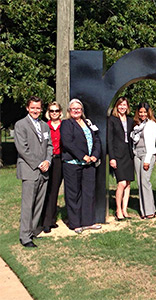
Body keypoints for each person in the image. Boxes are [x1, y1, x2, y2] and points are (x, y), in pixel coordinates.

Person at [14, 96, 53, 247]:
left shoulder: (44, 125)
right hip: (30, 170)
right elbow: (22, 148)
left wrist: (47, 161)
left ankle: (32, 232)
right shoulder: (21, 125)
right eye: (33, 108)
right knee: (28, 204)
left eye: (38, 108)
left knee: (38, 204)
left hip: (44, 170)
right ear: (27, 108)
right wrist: (38, 163)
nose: (35, 110)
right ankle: (24, 237)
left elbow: (49, 146)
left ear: (41, 109)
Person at [60, 99, 102, 234]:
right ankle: (75, 223)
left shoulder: (87, 123)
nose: (76, 110)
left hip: (89, 164)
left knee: (88, 193)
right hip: (73, 164)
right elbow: (68, 143)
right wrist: (82, 156)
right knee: (73, 193)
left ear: (82, 110)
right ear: (69, 111)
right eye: (73, 108)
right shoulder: (66, 124)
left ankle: (88, 221)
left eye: (79, 108)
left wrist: (95, 155)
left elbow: (96, 140)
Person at [107, 97, 135, 221]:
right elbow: (110, 140)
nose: (122, 107)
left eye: (124, 105)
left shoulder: (130, 120)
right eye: (120, 105)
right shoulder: (112, 120)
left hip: (128, 154)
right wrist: (112, 157)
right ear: (116, 106)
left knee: (128, 183)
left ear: (127, 107)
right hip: (117, 155)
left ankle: (125, 209)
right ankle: (118, 209)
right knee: (121, 183)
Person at [131, 102, 156, 219]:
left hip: (147, 154)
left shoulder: (151, 124)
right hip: (137, 154)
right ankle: (144, 211)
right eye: (140, 112)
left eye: (144, 112)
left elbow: (152, 144)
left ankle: (150, 211)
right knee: (139, 182)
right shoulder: (137, 125)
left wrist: (147, 160)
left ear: (148, 112)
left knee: (145, 181)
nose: (142, 114)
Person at [42, 102, 64, 233]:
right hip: (47, 160)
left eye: (56, 111)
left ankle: (51, 219)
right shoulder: (45, 126)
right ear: (48, 112)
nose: (54, 113)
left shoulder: (65, 125)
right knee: (47, 189)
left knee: (54, 189)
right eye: (51, 111)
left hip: (60, 160)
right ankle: (45, 221)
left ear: (60, 112)